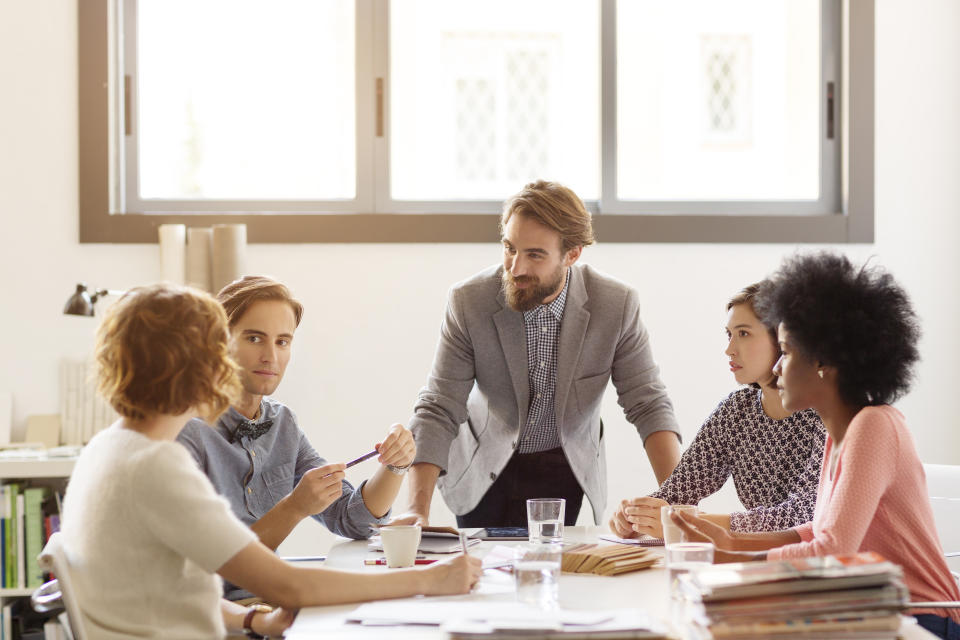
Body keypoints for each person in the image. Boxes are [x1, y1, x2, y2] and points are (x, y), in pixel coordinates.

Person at [60, 284, 481, 639]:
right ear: (198, 366)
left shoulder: (108, 449)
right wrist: (430, 580)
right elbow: (287, 585)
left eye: (282, 341)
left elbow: (172, 589)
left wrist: (253, 620)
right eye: (222, 350)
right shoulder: (158, 465)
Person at [670, 253, 960, 639]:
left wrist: (736, 554)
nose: (776, 369)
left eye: (786, 352)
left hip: (919, 618)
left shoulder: (874, 426)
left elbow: (831, 550)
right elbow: (817, 532)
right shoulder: (840, 431)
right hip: (865, 610)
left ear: (823, 361)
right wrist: (731, 541)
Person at [401, 180, 682, 528]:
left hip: (565, 470)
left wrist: (677, 504)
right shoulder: (468, 301)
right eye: (509, 248)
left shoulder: (616, 305)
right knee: (484, 577)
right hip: (483, 468)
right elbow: (439, 407)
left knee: (557, 576)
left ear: (572, 254)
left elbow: (648, 404)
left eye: (535, 254)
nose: (516, 267)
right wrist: (417, 511)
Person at [177, 276, 415, 599]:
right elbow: (207, 567)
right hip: (216, 618)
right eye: (254, 338)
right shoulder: (186, 433)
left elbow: (352, 519)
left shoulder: (283, 424)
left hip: (273, 603)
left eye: (282, 342)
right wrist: (294, 507)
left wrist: (395, 466)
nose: (270, 357)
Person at [609, 283, 826, 539]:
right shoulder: (735, 412)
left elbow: (805, 515)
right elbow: (677, 492)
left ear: (782, 339)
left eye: (743, 334)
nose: (729, 349)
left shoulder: (824, 413)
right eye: (729, 335)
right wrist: (636, 514)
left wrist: (695, 523)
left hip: (818, 562)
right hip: (756, 559)